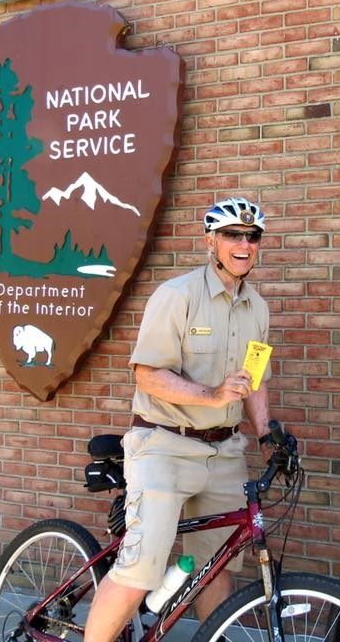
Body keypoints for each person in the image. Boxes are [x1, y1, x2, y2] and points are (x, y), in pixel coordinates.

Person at [84, 196, 274, 642]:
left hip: (224, 451)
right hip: (165, 444)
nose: (243, 244)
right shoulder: (176, 295)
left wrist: (267, 432)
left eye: (251, 236)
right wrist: (210, 394)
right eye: (232, 235)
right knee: (141, 568)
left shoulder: (258, 309)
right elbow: (147, 373)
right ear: (211, 241)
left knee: (216, 567)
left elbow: (256, 376)